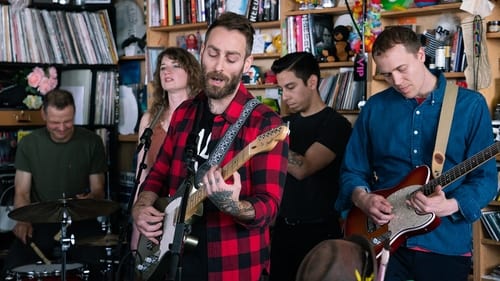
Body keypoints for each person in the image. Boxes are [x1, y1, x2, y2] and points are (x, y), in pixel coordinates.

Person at [132, 12, 289, 281]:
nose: (218, 66)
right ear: (202, 52)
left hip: (231, 267)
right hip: (172, 260)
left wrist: (233, 205)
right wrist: (141, 207)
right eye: (213, 53)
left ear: (247, 62)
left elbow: (269, 208)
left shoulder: (265, 124)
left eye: (231, 58)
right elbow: (157, 174)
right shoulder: (184, 112)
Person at [335, 26, 498, 281]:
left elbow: (486, 179)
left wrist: (450, 204)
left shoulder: (470, 105)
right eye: (388, 75)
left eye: (402, 69)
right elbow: (353, 170)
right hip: (382, 242)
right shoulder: (375, 108)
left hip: (444, 245)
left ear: (421, 55)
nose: (397, 82)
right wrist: (362, 199)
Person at [1, 89, 110, 280]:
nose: (61, 127)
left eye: (67, 121)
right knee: (12, 267)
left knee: (95, 268)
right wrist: (23, 220)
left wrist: (90, 199)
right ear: (43, 115)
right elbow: (22, 192)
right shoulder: (29, 144)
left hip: (80, 220)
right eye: (55, 122)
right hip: (40, 221)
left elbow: (98, 190)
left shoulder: (92, 142)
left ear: (74, 113)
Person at [268, 52, 352, 281]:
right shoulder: (284, 124)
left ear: (312, 82)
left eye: (291, 87)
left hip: (319, 232)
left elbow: (303, 168)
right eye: (281, 89)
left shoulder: (335, 125)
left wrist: (265, 140)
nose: (285, 97)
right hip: (282, 230)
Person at [130, 47, 203, 251]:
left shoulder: (201, 115)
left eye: (175, 66)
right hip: (154, 206)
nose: (166, 72)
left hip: (187, 208)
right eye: (163, 67)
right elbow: (142, 172)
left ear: (191, 73)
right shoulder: (149, 118)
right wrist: (138, 215)